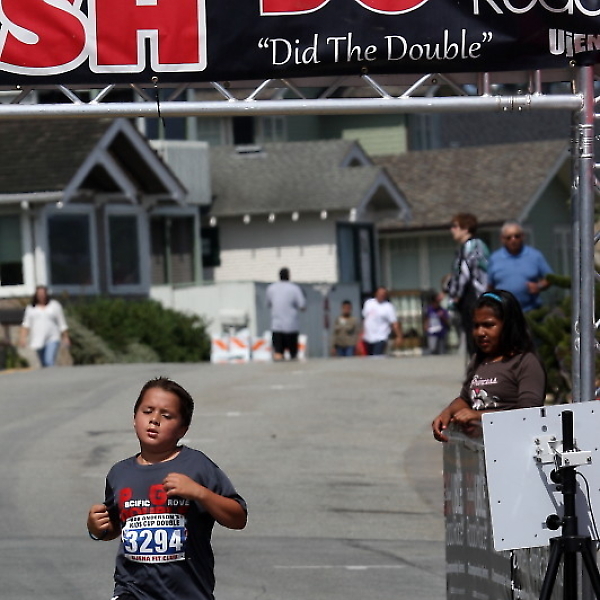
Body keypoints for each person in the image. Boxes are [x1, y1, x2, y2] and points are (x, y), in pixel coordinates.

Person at [86, 377, 247, 600]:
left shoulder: (197, 466)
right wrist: (97, 528)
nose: (154, 420)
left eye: (167, 416)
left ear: (183, 429)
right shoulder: (119, 473)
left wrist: (200, 493)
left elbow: (238, 518)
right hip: (131, 591)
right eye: (147, 411)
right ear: (134, 418)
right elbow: (116, 526)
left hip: (188, 593)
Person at [431, 290, 546, 442]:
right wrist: (447, 412)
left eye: (488, 325)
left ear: (508, 325)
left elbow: (529, 415)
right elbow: (465, 399)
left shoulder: (525, 362)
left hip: (512, 447)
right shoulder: (478, 361)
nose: (480, 332)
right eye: (476, 325)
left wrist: (480, 416)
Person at [445, 213, 490, 356]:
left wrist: (455, 297)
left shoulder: (472, 246)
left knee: (476, 340)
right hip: (473, 298)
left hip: (473, 298)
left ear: (466, 228)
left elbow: (464, 274)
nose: (452, 230)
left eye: (455, 226)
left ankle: (481, 368)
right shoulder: (468, 246)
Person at [487, 220, 553, 312]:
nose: (513, 240)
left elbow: (550, 278)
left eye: (517, 236)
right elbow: (490, 286)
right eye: (509, 237)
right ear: (502, 239)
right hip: (504, 312)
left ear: (523, 236)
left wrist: (539, 286)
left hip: (530, 311)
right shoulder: (495, 258)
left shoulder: (535, 256)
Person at [19, 285, 70, 367]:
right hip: (38, 339)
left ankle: (52, 374)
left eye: (43, 294)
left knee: (49, 360)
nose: (41, 296)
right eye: (39, 294)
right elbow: (26, 324)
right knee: (43, 363)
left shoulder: (54, 306)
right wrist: (23, 338)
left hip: (52, 337)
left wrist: (65, 337)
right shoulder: (31, 308)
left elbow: (62, 322)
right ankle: (48, 375)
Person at [266, 267, 306, 361]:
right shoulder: (294, 288)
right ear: (289, 276)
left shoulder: (271, 288)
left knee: (278, 353)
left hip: (277, 326)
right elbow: (302, 305)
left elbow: (268, 304)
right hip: (291, 326)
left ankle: (279, 369)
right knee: (293, 354)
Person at [361, 287, 403, 356]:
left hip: (381, 337)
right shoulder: (369, 303)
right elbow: (365, 319)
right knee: (369, 358)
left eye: (383, 294)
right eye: (379, 293)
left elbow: (394, 323)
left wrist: (399, 336)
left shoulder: (388, 307)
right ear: (376, 294)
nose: (381, 295)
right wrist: (362, 333)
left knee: (377, 357)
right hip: (368, 338)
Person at [424, 291, 450, 355]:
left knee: (441, 350)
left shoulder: (442, 310)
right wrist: (426, 326)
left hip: (441, 332)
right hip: (432, 332)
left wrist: (442, 317)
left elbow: (447, 321)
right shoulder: (428, 309)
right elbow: (426, 319)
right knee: (432, 349)